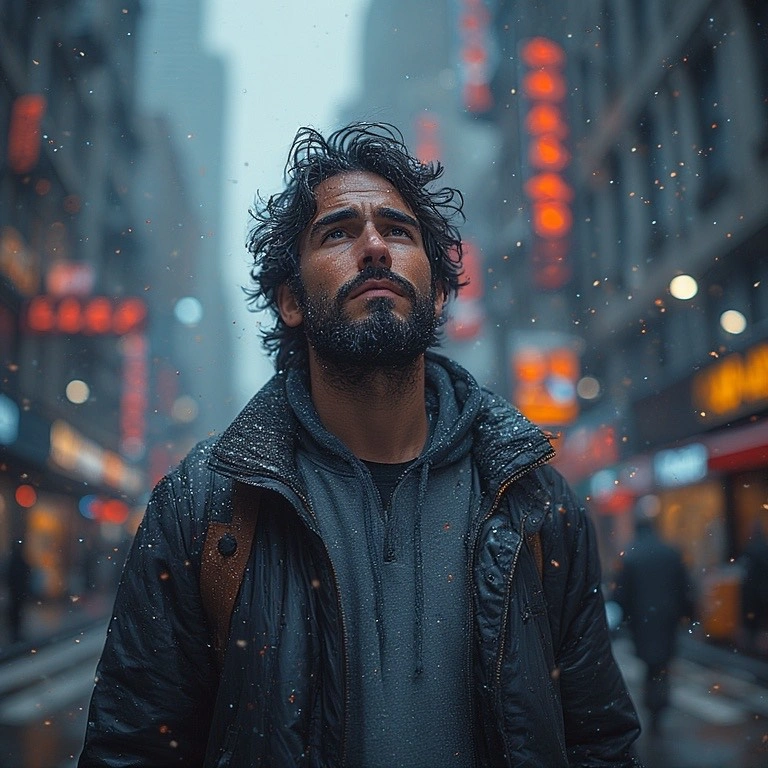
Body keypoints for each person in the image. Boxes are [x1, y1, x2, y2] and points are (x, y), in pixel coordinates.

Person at [78, 123, 641, 767]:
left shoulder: (535, 502)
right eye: (338, 233)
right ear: (290, 300)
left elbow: (599, 740)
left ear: (437, 292)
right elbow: (133, 749)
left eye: (398, 231)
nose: (374, 247)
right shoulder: (204, 506)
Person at [613, 495, 693, 733]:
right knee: (662, 664)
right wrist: (687, 614)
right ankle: (660, 702)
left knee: (650, 665)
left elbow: (621, 595)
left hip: (642, 621)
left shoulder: (632, 556)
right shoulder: (670, 552)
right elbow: (684, 587)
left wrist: (626, 620)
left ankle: (653, 704)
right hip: (667, 619)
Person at [740, 521, 768, 654]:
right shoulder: (764, 548)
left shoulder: (750, 549)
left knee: (752, 624)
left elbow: (746, 572)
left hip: (752, 593)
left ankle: (752, 649)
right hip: (762, 591)